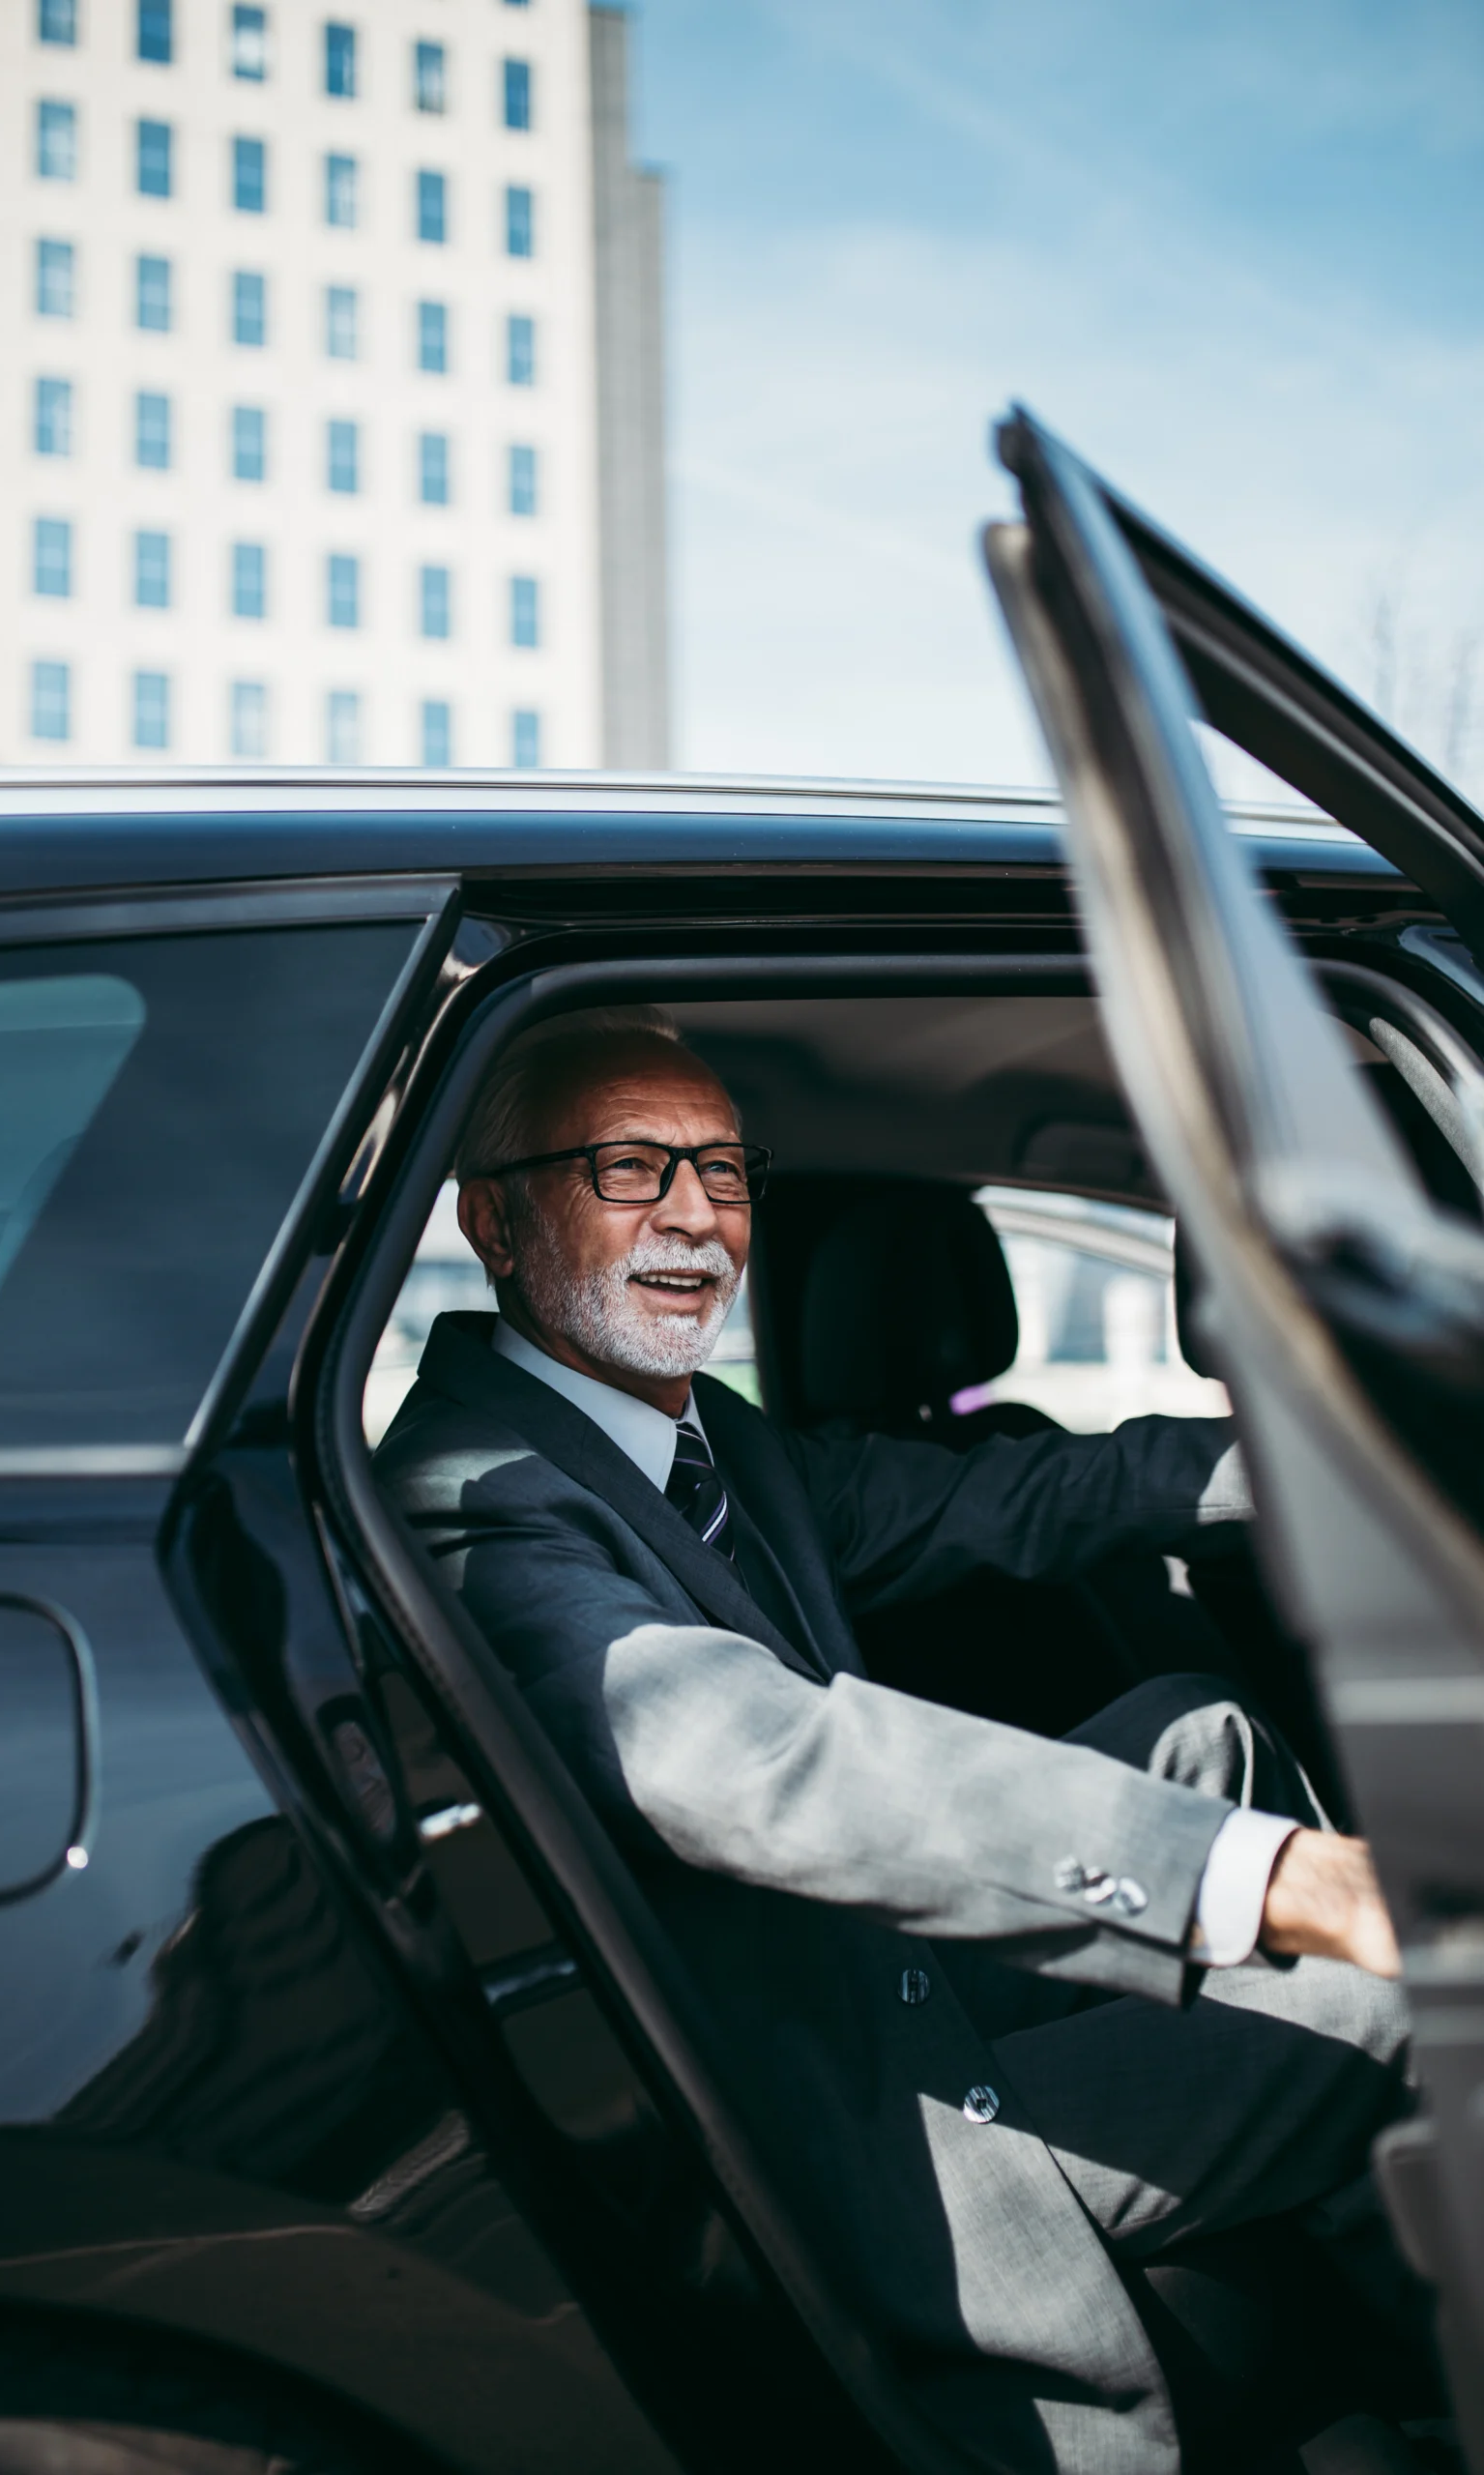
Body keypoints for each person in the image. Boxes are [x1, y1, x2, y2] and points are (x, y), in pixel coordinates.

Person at [374, 1006, 1413, 2475]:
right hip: (827, 2101)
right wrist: (1280, 1877)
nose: (696, 1216)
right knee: (1409, 2001)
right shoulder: (469, 1494)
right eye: (629, 1168)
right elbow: (764, 1763)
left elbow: (1028, 1498)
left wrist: (1355, 1452)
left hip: (875, 1978)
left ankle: (1344, 2312)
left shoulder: (709, 1446)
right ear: (492, 1217)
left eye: (725, 1174)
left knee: (1203, 1731)